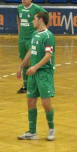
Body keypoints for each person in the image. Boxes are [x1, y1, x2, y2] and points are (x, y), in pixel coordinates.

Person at [16, 12, 56, 141]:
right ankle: (32, 132)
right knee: (30, 101)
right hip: (33, 73)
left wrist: (35, 67)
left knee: (45, 103)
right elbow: (30, 51)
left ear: (40, 20)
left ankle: (51, 128)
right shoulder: (34, 35)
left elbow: (48, 55)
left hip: (44, 73)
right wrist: (22, 66)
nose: (32, 21)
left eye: (34, 19)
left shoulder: (48, 36)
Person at [16, 0, 48, 94]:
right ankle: (25, 85)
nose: (23, 0)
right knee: (24, 62)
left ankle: (35, 84)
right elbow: (18, 21)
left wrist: (43, 31)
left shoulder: (36, 8)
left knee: (33, 61)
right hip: (22, 39)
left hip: (32, 39)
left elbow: (47, 16)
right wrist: (19, 34)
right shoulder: (19, 8)